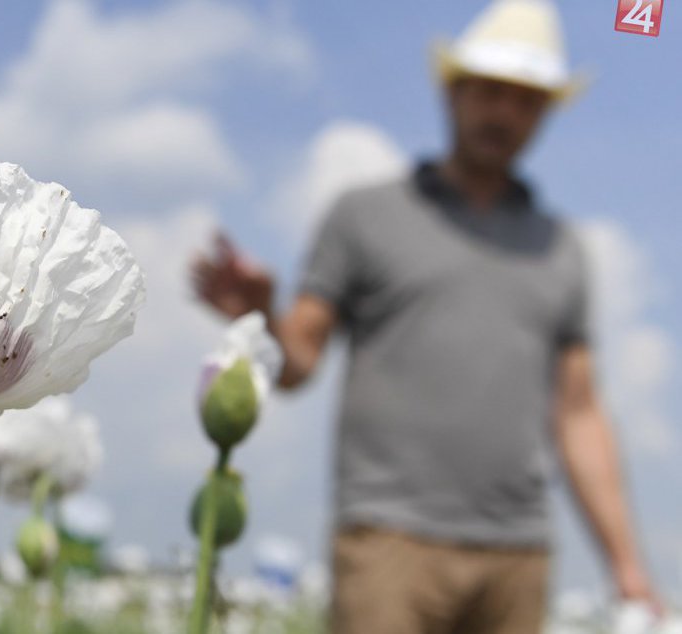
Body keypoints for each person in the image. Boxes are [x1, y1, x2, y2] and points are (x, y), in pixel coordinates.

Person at [190, 1, 661, 632]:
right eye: (491, 91)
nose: (505, 113)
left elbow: (579, 412)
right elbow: (299, 360)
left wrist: (628, 567)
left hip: (520, 550)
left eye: (527, 100)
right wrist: (261, 317)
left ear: (546, 112)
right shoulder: (363, 214)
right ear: (453, 90)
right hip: (388, 540)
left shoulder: (562, 249)